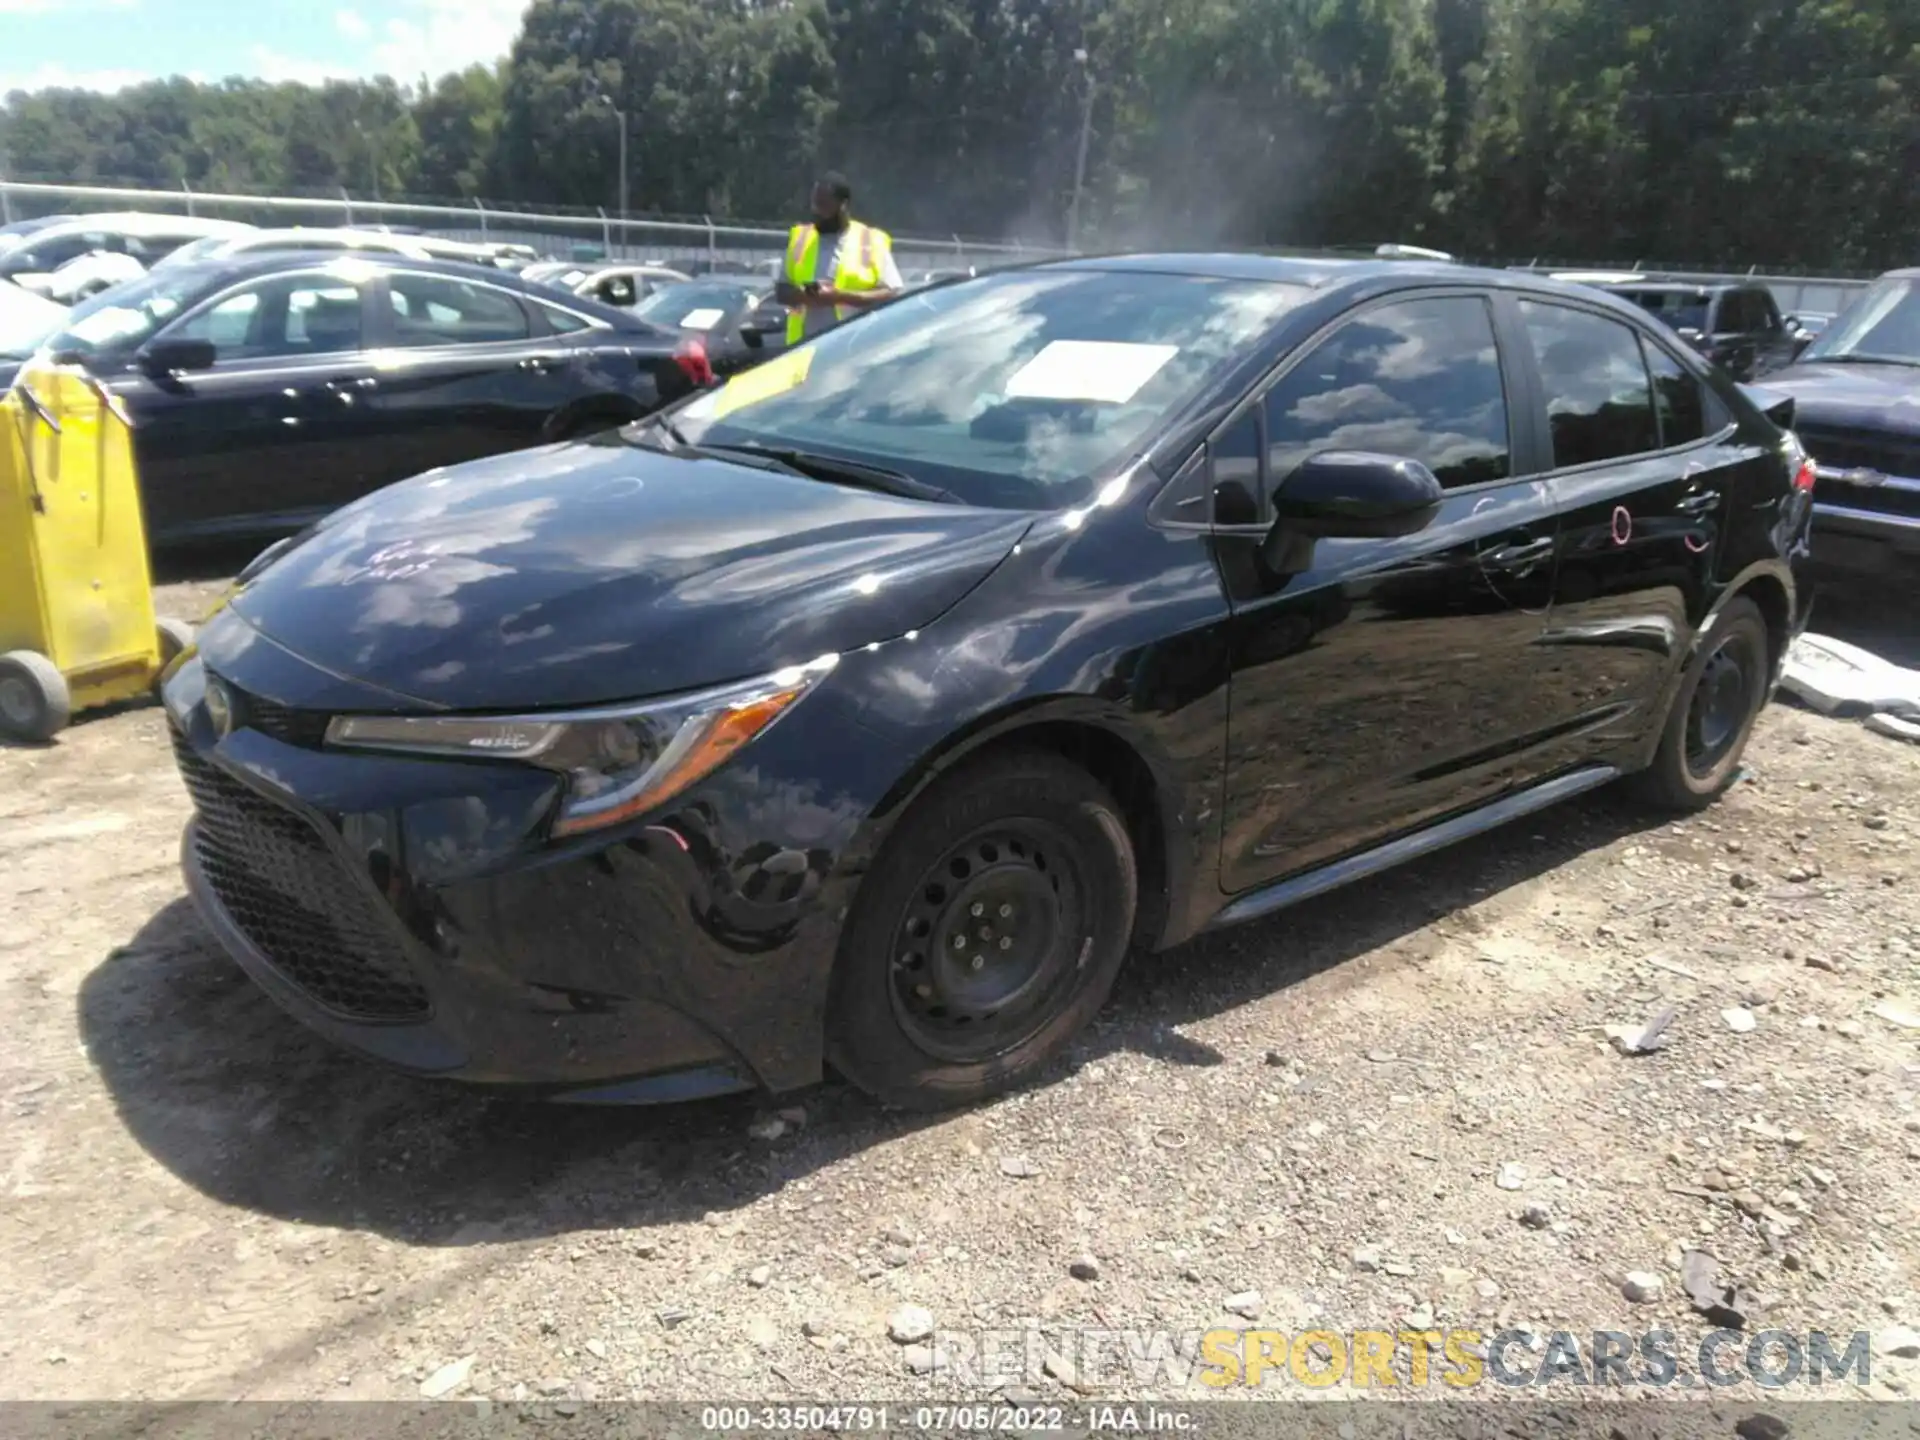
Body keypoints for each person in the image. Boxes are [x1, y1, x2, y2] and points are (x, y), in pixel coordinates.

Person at [775, 172, 903, 346]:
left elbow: (891, 293)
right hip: (804, 350)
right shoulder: (801, 237)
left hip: (855, 350)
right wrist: (808, 295)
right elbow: (782, 290)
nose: (816, 211)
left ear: (843, 205)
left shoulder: (870, 240)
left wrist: (840, 296)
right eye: (814, 204)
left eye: (823, 205)